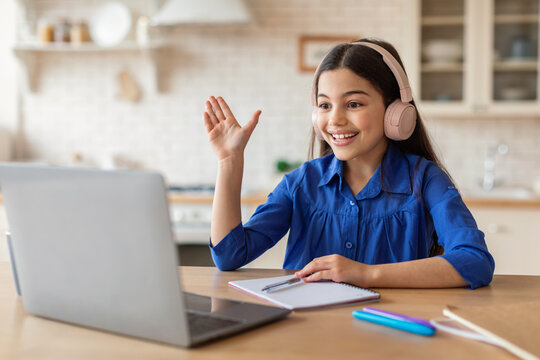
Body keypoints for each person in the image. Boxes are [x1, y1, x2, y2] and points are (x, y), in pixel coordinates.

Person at [202, 38, 494, 289]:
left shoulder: (426, 180)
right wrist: (229, 161)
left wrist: (366, 274)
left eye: (353, 104)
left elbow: (475, 261)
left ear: (395, 111)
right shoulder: (301, 184)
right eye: (325, 105)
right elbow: (230, 255)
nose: (335, 120)